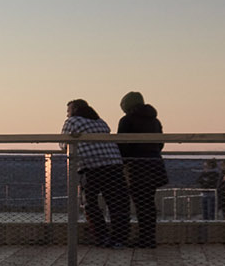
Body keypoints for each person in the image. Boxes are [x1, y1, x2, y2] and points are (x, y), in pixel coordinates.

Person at [62, 99, 129, 248]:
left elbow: (63, 144)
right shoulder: (100, 122)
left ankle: (102, 236)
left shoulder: (72, 121)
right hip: (114, 164)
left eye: (68, 111)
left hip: (91, 166)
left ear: (75, 110)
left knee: (89, 204)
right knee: (116, 204)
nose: (67, 114)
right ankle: (119, 239)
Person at [117, 92, 166, 248]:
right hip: (154, 165)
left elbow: (122, 145)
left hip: (136, 167)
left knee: (140, 204)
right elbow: (160, 144)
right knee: (148, 204)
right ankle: (148, 237)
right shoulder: (155, 120)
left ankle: (144, 239)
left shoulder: (126, 121)